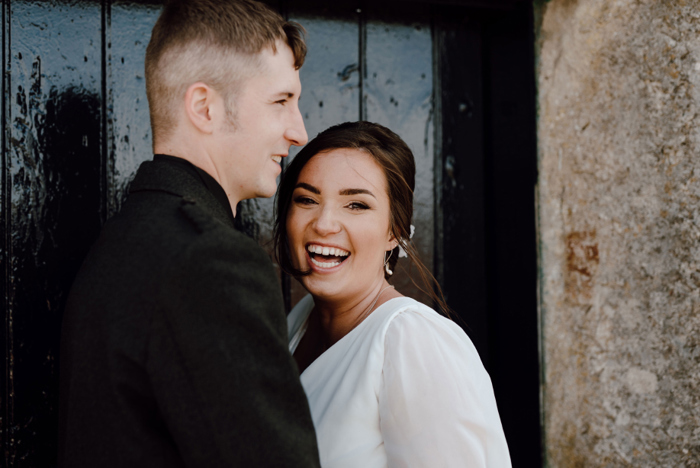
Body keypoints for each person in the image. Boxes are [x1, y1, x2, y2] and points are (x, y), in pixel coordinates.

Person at [58, 1, 320, 466]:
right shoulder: (209, 262)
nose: (298, 131)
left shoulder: (126, 238)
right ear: (204, 107)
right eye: (281, 101)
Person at [274, 121, 512, 467]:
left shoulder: (412, 340)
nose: (324, 223)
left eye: (356, 205)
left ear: (394, 231)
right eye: (307, 199)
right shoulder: (300, 321)